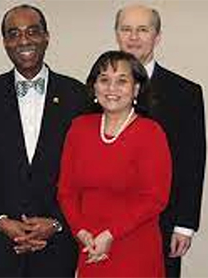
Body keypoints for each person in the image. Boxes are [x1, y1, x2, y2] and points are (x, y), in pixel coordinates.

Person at [0, 4, 88, 277]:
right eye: (14, 34)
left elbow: (85, 171)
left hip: (57, 245)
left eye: (32, 31)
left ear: (46, 37)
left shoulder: (78, 96)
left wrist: (55, 223)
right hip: (0, 244)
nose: (24, 41)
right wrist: (1, 221)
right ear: (5, 42)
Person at [57, 50, 171, 277]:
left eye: (122, 81)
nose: (111, 88)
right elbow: (66, 191)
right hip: (91, 248)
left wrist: (110, 234)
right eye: (104, 80)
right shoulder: (79, 128)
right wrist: (80, 231)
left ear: (136, 88)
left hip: (135, 249)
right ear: (94, 87)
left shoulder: (151, 133)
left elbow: (155, 198)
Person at [114, 4, 206, 277]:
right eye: (126, 29)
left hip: (163, 223)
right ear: (117, 35)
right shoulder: (97, 90)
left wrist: (185, 225)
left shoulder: (185, 93)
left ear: (157, 36)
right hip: (107, 223)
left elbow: (193, 161)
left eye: (143, 30)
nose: (133, 37)